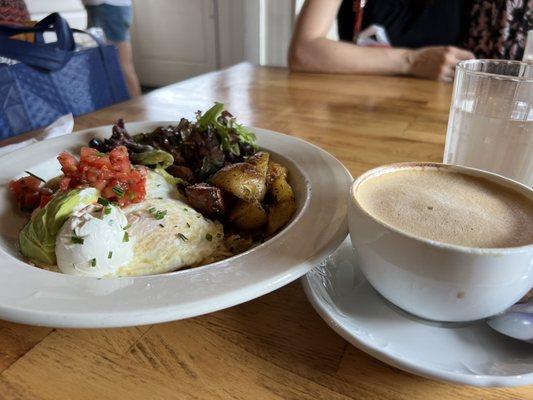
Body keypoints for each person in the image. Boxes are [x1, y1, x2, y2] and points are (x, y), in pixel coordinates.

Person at [289, 0, 531, 82]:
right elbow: (305, 51)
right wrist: (412, 61)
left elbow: (500, 78)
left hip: (437, 122)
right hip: (356, 109)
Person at [82, 0, 141, 97]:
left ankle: (137, 107)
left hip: (109, 6)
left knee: (122, 65)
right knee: (103, 66)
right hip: (97, 6)